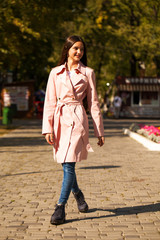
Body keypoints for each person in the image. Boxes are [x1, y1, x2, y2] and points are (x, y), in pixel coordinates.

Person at [42, 35, 105, 225]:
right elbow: (50, 102)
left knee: (69, 164)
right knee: (66, 163)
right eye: (75, 48)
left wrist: (99, 131)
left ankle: (60, 208)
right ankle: (78, 194)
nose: (79, 52)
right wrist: (48, 128)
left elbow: (93, 103)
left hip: (78, 119)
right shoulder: (55, 73)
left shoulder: (88, 73)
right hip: (60, 121)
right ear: (67, 49)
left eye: (82, 49)